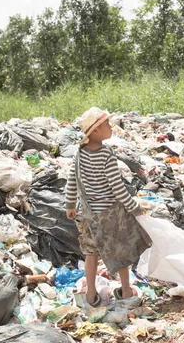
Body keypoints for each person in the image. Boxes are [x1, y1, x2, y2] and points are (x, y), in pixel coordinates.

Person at [65, 107, 151, 307]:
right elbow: (118, 189)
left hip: (86, 214)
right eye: (106, 124)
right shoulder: (106, 155)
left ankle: (91, 295)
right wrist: (134, 207)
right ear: (95, 131)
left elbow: (72, 180)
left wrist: (70, 204)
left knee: (90, 252)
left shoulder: (79, 154)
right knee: (120, 251)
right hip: (109, 214)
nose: (110, 127)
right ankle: (126, 291)